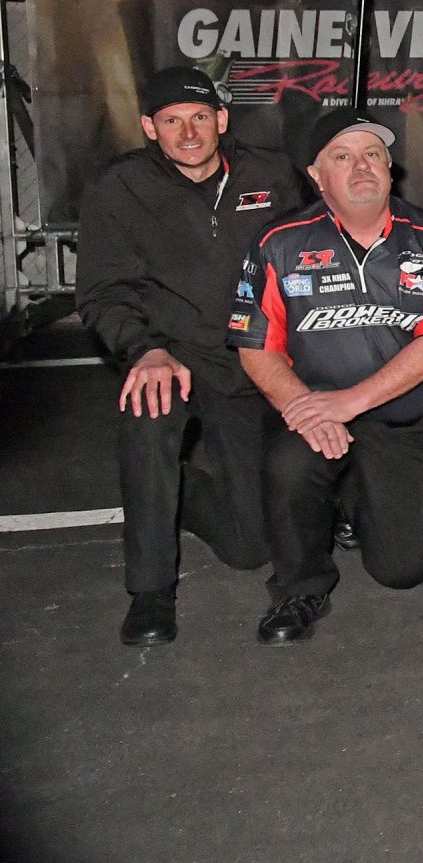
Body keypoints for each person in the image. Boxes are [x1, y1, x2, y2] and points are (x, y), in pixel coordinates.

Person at [76, 67, 306, 646]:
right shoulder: (118, 187)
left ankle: (171, 489)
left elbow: (304, 263)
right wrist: (143, 349)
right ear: (149, 127)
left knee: (249, 548)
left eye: (200, 117)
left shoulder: (270, 173)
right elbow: (103, 291)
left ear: (222, 120)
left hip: (249, 360)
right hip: (171, 356)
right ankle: (150, 592)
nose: (188, 133)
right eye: (172, 121)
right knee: (147, 413)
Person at [229, 110, 423, 644]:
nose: (361, 167)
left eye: (373, 155)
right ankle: (299, 589)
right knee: (289, 468)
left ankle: (365, 495)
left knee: (402, 571)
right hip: (313, 417)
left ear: (391, 168)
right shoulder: (278, 241)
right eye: (343, 156)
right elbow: (255, 349)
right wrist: (306, 407)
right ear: (316, 175)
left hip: (402, 422)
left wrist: (351, 402)